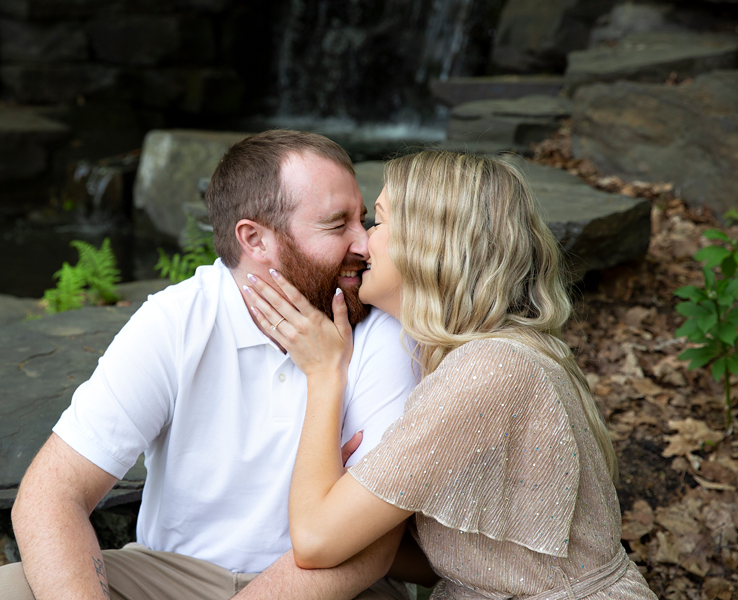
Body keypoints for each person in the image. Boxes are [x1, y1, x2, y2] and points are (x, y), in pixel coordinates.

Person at [0, 130, 425, 600]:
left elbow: (373, 546)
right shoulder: (177, 321)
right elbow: (51, 494)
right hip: (169, 576)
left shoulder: (382, 330)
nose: (364, 244)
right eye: (336, 224)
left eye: (362, 220)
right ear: (255, 239)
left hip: (324, 584)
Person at [243, 150, 658, 600]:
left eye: (378, 222)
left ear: (430, 242)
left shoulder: (490, 371)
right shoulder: (486, 358)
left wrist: (325, 374)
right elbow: (461, 558)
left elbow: (315, 541)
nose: (362, 244)